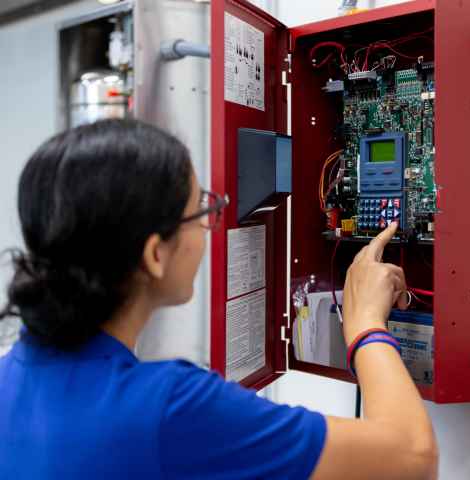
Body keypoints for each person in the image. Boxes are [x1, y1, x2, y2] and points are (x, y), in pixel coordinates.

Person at [0, 119, 438, 479]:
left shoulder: (8, 375)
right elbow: (413, 459)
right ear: (155, 254)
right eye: (202, 211)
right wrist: (365, 325)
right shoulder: (171, 408)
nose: (211, 225)